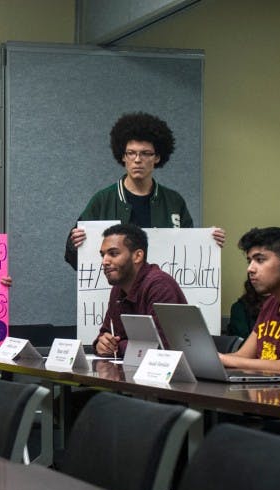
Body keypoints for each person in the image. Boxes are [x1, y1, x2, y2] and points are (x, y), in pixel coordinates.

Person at [65, 112, 225, 270]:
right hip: (115, 294)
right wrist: (75, 244)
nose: (137, 159)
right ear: (123, 156)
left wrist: (209, 242)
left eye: (146, 153)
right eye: (131, 153)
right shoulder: (102, 200)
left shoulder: (174, 201)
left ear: (157, 157)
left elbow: (188, 254)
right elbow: (74, 258)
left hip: (160, 293)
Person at [219, 227, 280, 373]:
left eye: (260, 260)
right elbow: (242, 356)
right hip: (262, 391)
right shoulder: (271, 303)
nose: (250, 269)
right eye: (249, 261)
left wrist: (223, 359)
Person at [93, 223, 186, 356]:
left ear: (137, 256)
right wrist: (101, 344)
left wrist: (117, 347)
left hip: (169, 374)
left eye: (113, 254)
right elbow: (107, 333)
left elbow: (160, 349)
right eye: (103, 255)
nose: (105, 261)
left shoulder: (160, 286)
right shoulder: (118, 289)